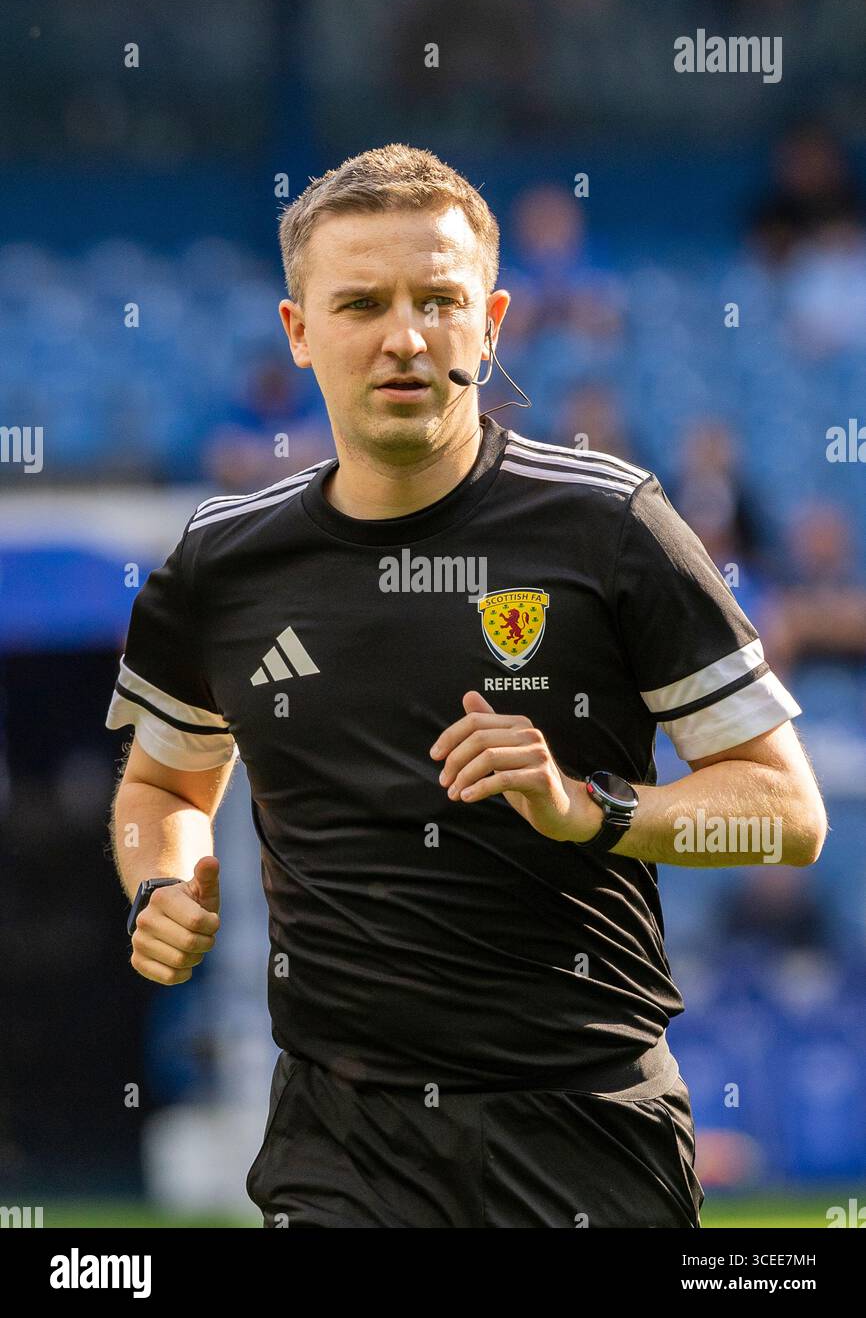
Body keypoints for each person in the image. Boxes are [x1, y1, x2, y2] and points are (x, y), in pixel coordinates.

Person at [106, 143, 827, 1229]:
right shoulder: (218, 563)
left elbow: (787, 816)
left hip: (585, 1129)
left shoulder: (612, 525)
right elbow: (162, 791)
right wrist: (162, 885)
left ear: (489, 321)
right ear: (298, 332)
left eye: (436, 300)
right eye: (359, 303)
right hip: (337, 1144)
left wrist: (590, 809)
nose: (403, 336)